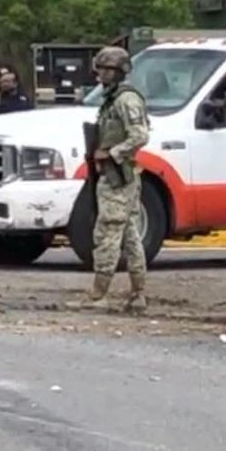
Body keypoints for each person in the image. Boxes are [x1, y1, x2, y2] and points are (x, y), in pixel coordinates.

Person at [70, 46, 150, 312]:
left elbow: (139, 135)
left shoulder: (126, 100)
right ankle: (138, 294)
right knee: (129, 235)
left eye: (106, 69)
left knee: (108, 233)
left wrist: (112, 153)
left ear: (119, 71)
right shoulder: (112, 99)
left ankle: (99, 294)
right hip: (114, 175)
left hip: (118, 176)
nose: (100, 74)